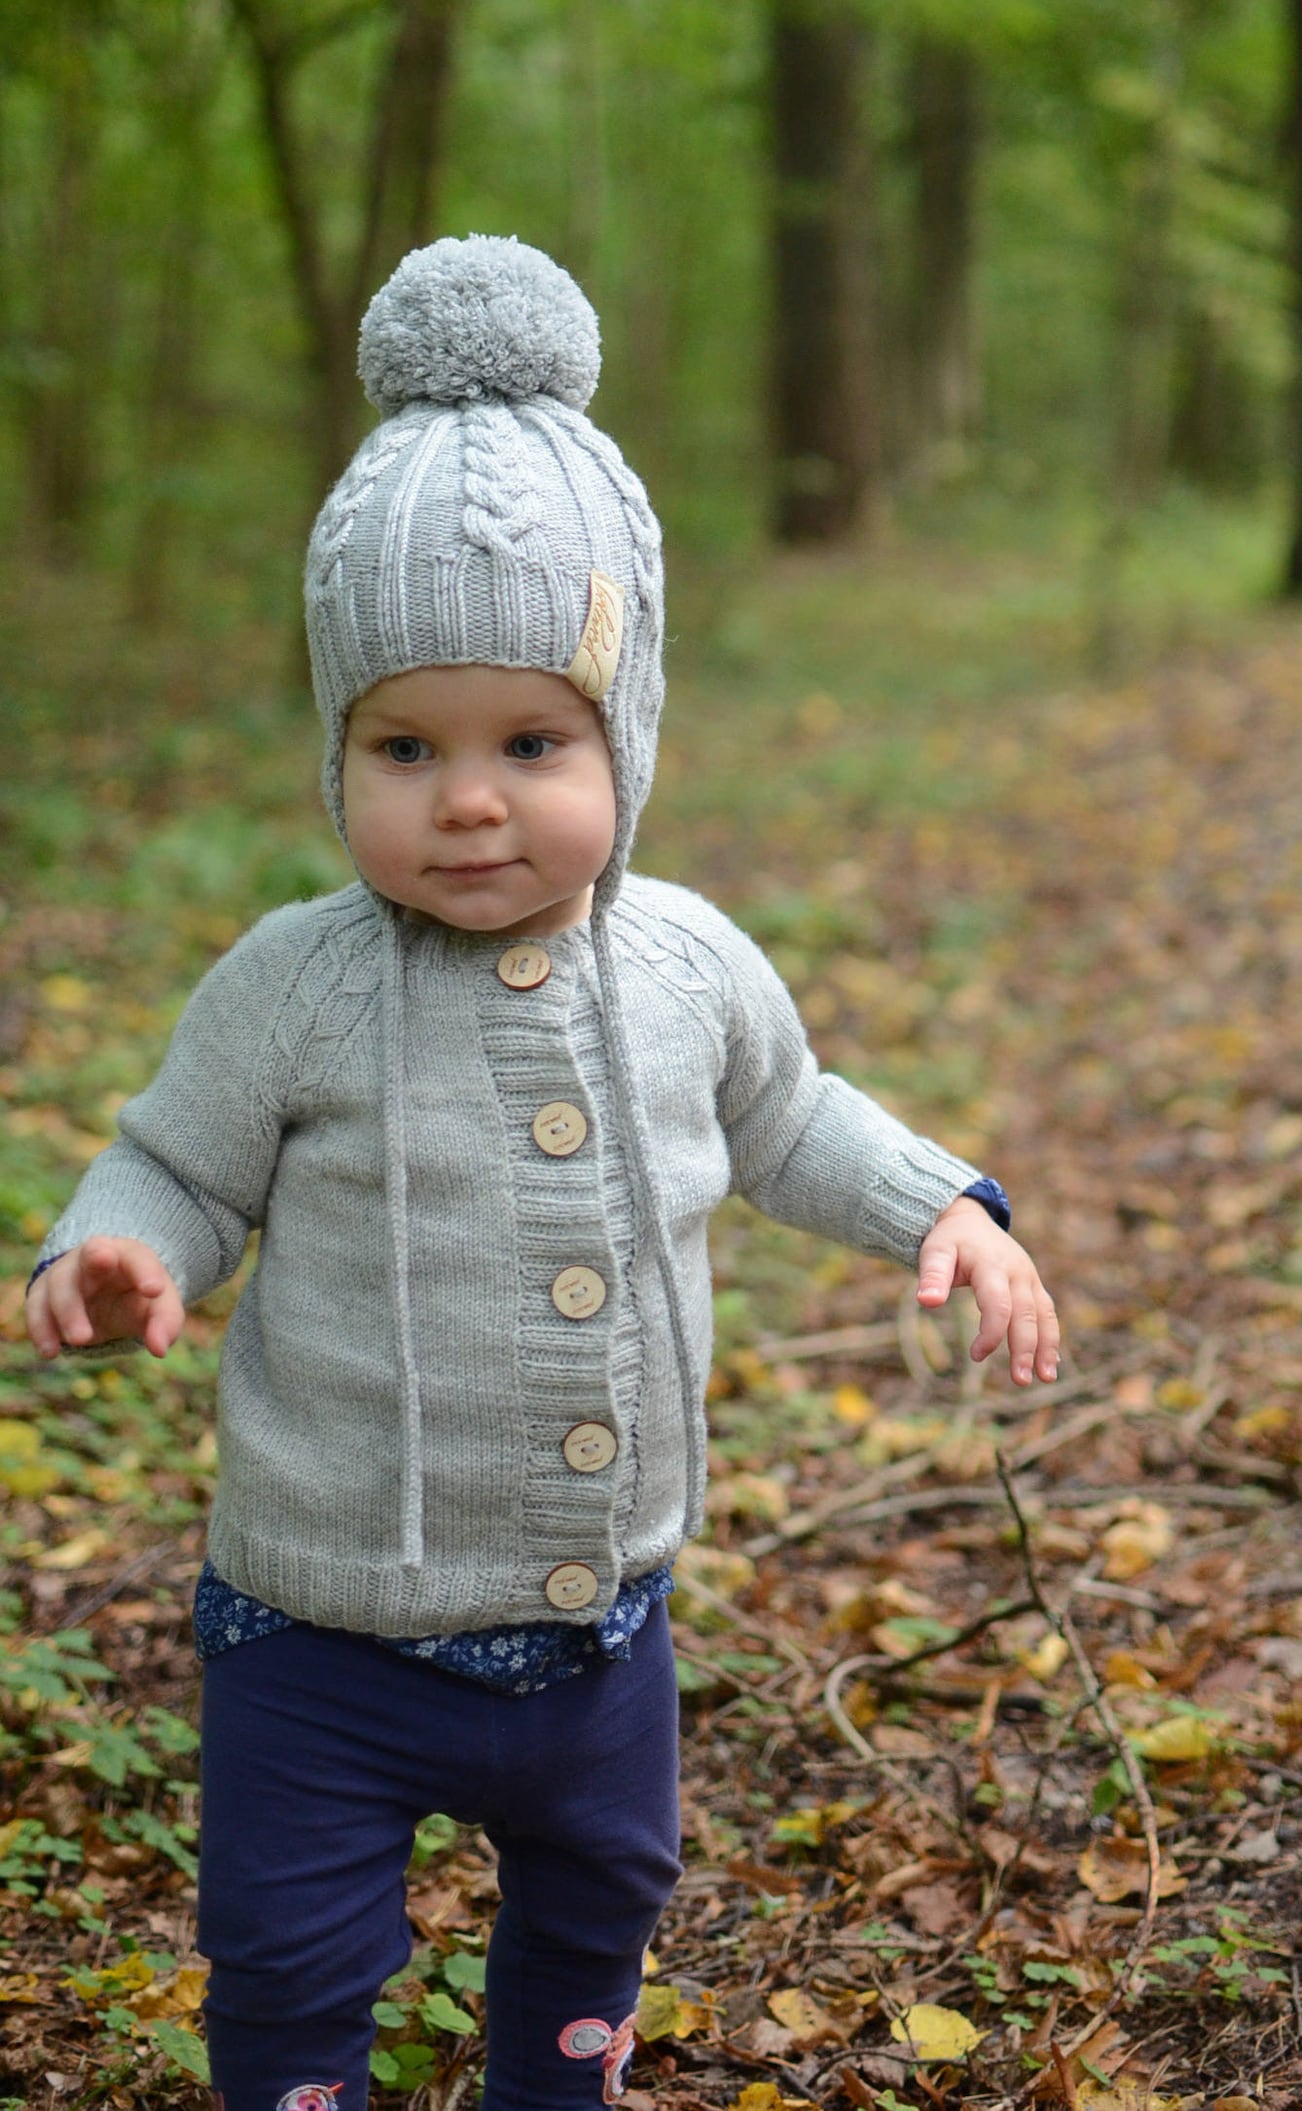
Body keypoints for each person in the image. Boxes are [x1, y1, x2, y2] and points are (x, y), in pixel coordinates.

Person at [26, 236, 1061, 2111]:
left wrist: (945, 1210)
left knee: (599, 1900)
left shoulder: (685, 967)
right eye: (404, 746)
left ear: (627, 739)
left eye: (533, 740)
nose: (471, 797)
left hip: (601, 1629)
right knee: (286, 1950)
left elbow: (793, 1120)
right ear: (335, 752)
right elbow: (172, 1161)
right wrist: (117, 1248)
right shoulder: (295, 983)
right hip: (317, 1626)